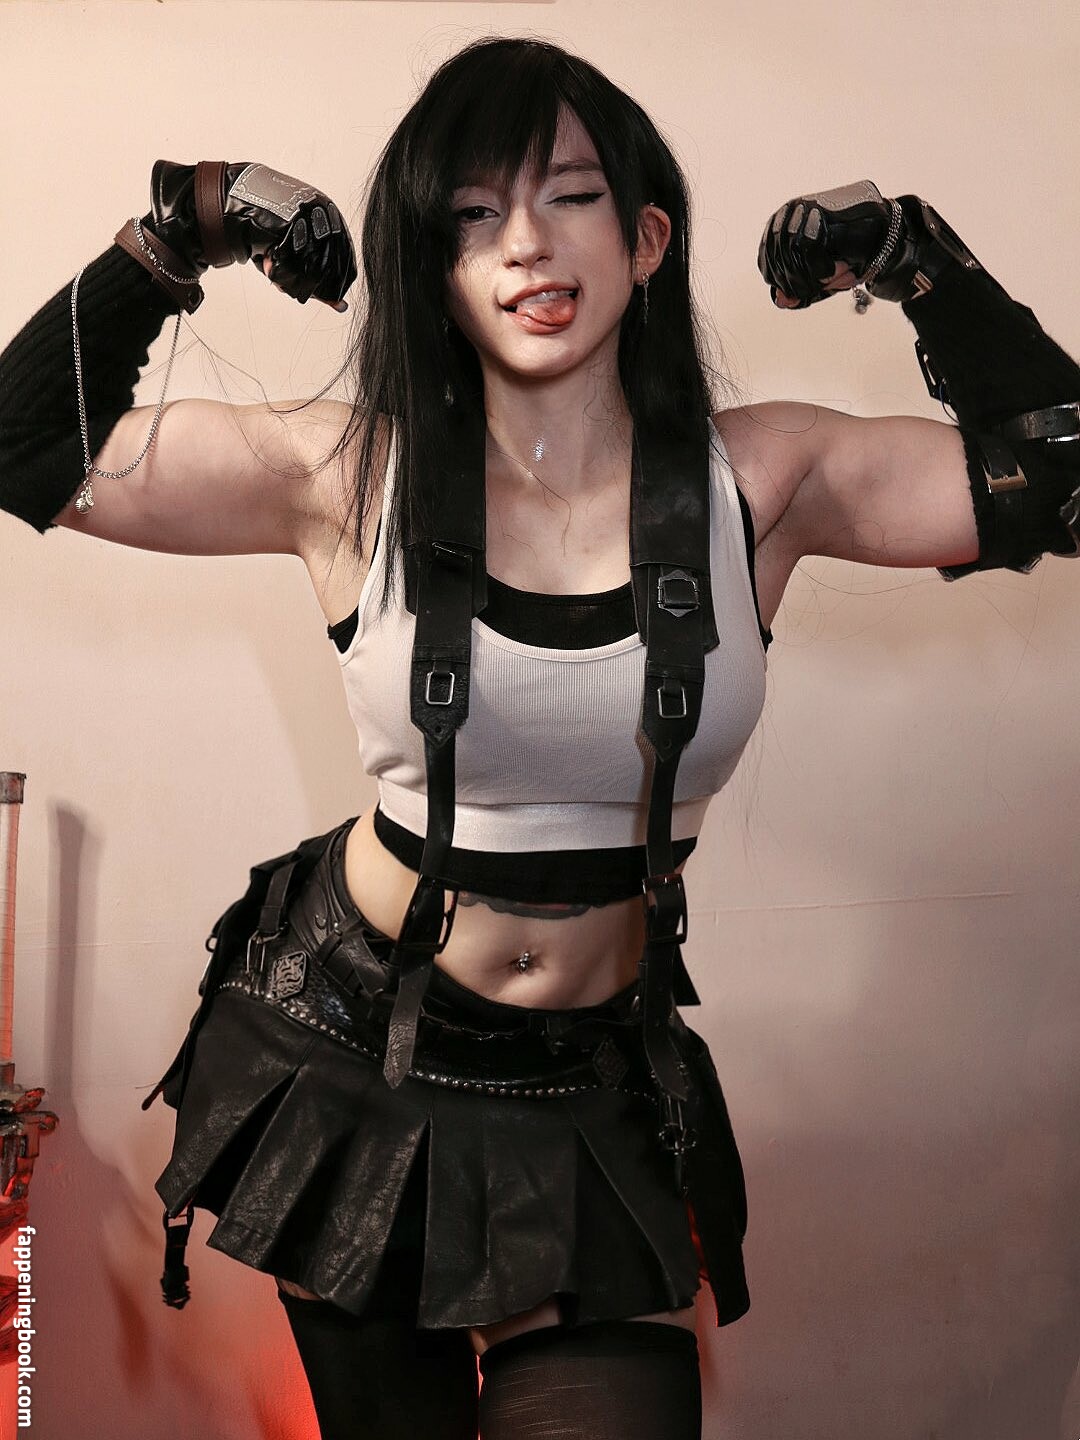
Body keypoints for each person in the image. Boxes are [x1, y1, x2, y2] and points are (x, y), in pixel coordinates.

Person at [1, 35, 1077, 1440]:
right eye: (473, 213)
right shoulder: (348, 472)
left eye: (570, 195)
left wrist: (914, 257)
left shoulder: (763, 478)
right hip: (355, 1056)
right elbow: (24, 448)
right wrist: (180, 225)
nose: (526, 244)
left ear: (646, 239)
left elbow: (1057, 474)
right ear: (433, 264)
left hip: (595, 1073)